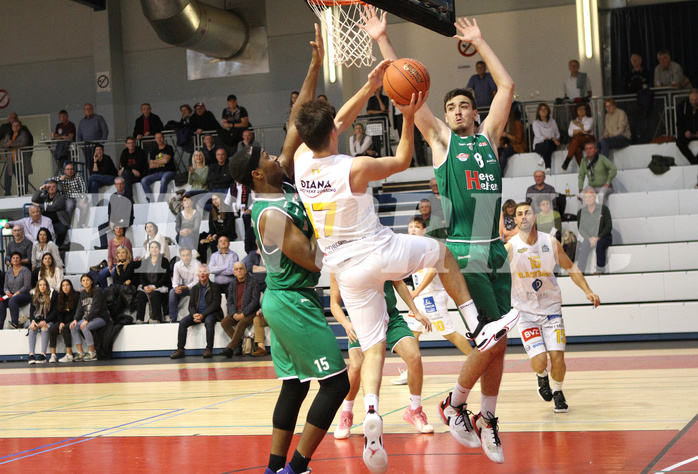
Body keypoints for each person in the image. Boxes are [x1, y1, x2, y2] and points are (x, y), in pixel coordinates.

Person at [364, 9, 521, 465]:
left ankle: (487, 416)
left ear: (475, 112)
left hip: (495, 251)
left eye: (463, 106)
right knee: (489, 340)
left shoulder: (488, 140)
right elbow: (406, 87)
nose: (455, 112)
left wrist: (481, 41)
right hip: (463, 253)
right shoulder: (441, 141)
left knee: (500, 342)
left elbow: (507, 86)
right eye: (450, 107)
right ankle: (454, 403)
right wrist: (383, 39)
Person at [230, 26, 350, 474]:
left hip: (286, 300)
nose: (274, 158)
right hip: (290, 301)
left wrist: (316, 65)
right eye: (265, 159)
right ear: (257, 177)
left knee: (296, 387)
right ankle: (297, 467)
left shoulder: (274, 181)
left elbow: (298, 123)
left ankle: (275, 467)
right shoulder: (272, 216)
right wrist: (333, 214)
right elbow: (316, 259)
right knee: (336, 384)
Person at [506, 201, 600, 413]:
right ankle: (541, 377)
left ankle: (558, 391)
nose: (523, 217)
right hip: (525, 313)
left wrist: (587, 290)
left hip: (551, 311)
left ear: (535, 217)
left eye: (527, 213)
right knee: (540, 361)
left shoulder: (550, 242)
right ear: (516, 220)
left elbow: (571, 267)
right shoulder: (510, 247)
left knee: (558, 359)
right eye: (519, 214)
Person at [331, 273, 435, 437]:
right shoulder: (339, 263)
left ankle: (414, 410)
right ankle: (346, 414)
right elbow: (334, 304)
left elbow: (399, 283)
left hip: (391, 317)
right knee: (356, 367)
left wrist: (415, 311)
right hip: (361, 321)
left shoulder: (382, 253)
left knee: (414, 357)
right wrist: (346, 323)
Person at [403, 217, 473, 361]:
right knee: (412, 334)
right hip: (420, 297)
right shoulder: (409, 249)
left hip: (432, 296)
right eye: (411, 226)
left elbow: (432, 270)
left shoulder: (427, 246)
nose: (413, 229)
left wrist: (416, 291)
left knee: (448, 333)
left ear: (424, 230)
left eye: (417, 226)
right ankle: (412, 370)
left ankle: (476, 363)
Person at [170, 265, 222, 359]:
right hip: (197, 313)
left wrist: (203, 315)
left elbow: (215, 305)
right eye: (200, 272)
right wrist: (195, 314)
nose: (202, 273)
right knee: (183, 322)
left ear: (208, 274)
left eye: (204, 272)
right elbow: (191, 306)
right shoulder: (194, 288)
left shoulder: (215, 287)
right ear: (197, 275)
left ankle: (209, 349)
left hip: (211, 313)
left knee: (209, 322)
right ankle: (180, 349)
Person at [220, 262, 261, 357]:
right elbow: (229, 301)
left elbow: (254, 301)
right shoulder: (232, 284)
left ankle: (230, 348)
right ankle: (238, 343)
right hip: (236, 311)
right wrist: (233, 313)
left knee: (241, 323)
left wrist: (243, 314)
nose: (239, 271)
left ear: (245, 270)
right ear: (233, 272)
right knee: (224, 322)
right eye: (237, 269)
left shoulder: (253, 282)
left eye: (241, 268)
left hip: (251, 312)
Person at [70, 273, 109, 362]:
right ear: (81, 283)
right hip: (89, 318)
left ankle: (92, 352)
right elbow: (79, 309)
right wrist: (75, 319)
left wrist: (87, 320)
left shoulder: (97, 290)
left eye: (87, 280)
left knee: (85, 327)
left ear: (91, 281)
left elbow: (95, 308)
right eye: (83, 280)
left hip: (100, 318)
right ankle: (81, 352)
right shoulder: (83, 293)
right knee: (73, 327)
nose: (85, 282)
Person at [576, 188, 613, 274]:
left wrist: (598, 238)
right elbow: (581, 229)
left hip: (604, 237)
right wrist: (589, 238)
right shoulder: (581, 212)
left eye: (590, 197)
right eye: (586, 197)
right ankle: (580, 272)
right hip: (590, 238)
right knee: (584, 247)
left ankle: (600, 270)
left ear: (595, 197)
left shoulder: (604, 209)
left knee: (600, 245)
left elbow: (608, 226)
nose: (588, 199)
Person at [135, 241, 170, 324]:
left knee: (155, 294)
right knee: (141, 295)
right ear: (149, 250)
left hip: (160, 286)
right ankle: (140, 319)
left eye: (156, 247)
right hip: (147, 286)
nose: (154, 249)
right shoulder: (145, 262)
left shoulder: (164, 261)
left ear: (159, 249)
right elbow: (142, 277)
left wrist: (155, 287)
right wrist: (144, 286)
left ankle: (157, 318)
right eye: (152, 247)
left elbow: (165, 277)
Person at [96, 177, 134, 250]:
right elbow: (110, 211)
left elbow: (129, 212)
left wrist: (121, 221)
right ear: (115, 185)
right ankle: (104, 246)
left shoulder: (128, 196)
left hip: (126, 219)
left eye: (121, 184)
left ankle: (121, 247)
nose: (119, 186)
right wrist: (111, 221)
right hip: (115, 220)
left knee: (120, 226)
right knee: (101, 227)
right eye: (117, 184)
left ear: (123, 185)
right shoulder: (112, 196)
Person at [50, 161, 90, 228]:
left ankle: (81, 224)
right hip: (69, 198)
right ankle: (69, 225)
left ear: (74, 170)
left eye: (71, 169)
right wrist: (59, 179)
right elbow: (49, 180)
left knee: (85, 206)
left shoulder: (78, 177)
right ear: (65, 171)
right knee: (69, 207)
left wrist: (84, 198)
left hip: (79, 198)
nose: (70, 171)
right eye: (68, 169)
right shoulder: (62, 178)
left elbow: (83, 187)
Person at [49, 279, 80, 363]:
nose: (65, 287)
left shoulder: (76, 295)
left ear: (71, 286)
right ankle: (53, 355)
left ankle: (69, 354)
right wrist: (61, 322)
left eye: (67, 285)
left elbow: (76, 311)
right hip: (63, 321)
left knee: (65, 328)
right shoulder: (59, 297)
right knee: (52, 329)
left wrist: (65, 323)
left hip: (73, 320)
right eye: (63, 285)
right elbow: (59, 312)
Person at [27, 278, 57, 364]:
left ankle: (43, 354)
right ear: (38, 286)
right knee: (32, 328)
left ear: (47, 286)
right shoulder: (34, 295)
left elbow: (54, 312)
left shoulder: (53, 295)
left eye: (44, 285)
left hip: (49, 320)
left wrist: (45, 320)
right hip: (37, 319)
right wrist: (32, 321)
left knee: (44, 327)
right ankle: (31, 354)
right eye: (40, 285)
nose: (42, 287)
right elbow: (31, 311)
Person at [198, 194, 236, 260]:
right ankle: (203, 263)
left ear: (220, 199)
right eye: (213, 200)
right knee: (202, 241)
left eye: (216, 199)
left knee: (213, 242)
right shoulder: (212, 212)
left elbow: (229, 227)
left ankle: (217, 260)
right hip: (216, 234)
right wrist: (210, 235)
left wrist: (216, 235)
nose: (214, 201)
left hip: (227, 234)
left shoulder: (227, 209)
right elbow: (211, 228)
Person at [141, 132, 177, 202]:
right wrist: (162, 160)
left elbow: (166, 161)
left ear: (163, 138)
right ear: (155, 139)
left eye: (160, 137)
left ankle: (160, 200)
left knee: (164, 179)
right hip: (158, 172)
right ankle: (150, 200)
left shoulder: (169, 148)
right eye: (157, 138)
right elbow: (151, 165)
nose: (159, 139)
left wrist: (155, 161)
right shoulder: (154, 150)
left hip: (169, 171)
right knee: (144, 181)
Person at [31, 179, 70, 245]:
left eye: (54, 187)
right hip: (45, 222)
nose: (51, 188)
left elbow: (53, 207)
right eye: (49, 187)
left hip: (58, 222)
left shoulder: (60, 198)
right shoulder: (45, 198)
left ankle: (59, 247)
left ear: (56, 187)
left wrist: (39, 205)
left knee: (62, 231)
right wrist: (41, 189)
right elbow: (34, 199)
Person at [169, 247, 201, 324]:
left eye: (187, 255)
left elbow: (196, 282)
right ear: (180, 256)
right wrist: (177, 288)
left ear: (191, 255)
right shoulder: (177, 265)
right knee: (172, 292)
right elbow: (175, 281)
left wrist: (184, 287)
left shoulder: (197, 264)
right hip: (184, 287)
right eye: (183, 255)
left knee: (195, 290)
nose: (185, 257)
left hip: (196, 287)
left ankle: (196, 316)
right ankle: (173, 318)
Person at [1, 252, 32, 329]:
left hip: (24, 294)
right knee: (1, 300)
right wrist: (7, 292)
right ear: (11, 260)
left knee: (12, 300)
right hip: (10, 294)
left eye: (17, 258)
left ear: (20, 260)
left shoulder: (25, 270)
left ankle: (14, 323)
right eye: (13, 258)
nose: (15, 259)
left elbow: (27, 286)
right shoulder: (8, 272)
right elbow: (5, 286)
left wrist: (17, 293)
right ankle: (0, 325)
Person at [76, 103, 109, 174]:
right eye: (86, 109)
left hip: (97, 146)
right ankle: (92, 177)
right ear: (84, 111)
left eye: (89, 109)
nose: (88, 110)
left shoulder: (98, 118)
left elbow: (105, 131)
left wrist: (101, 144)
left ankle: (100, 177)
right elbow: (79, 135)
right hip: (86, 147)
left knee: (99, 162)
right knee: (89, 163)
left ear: (92, 109)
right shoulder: (82, 122)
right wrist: (81, 145)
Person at [2, 120, 32, 196]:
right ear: (11, 127)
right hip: (11, 161)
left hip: (21, 161)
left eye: (17, 126)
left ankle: (22, 193)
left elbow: (24, 143)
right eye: (14, 126)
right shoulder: (9, 135)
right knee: (7, 178)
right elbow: (4, 144)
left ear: (20, 127)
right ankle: (7, 193)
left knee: (21, 178)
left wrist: (12, 144)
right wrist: (8, 145)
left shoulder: (23, 134)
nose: (15, 127)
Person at [562, 103, 594, 171]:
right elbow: (570, 133)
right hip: (578, 141)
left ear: (586, 110)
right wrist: (581, 130)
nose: (581, 111)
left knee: (576, 139)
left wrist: (578, 127)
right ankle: (584, 168)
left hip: (588, 139)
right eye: (579, 109)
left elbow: (587, 128)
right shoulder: (573, 122)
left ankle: (568, 159)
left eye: (583, 109)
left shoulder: (590, 119)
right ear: (576, 111)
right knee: (576, 148)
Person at [531, 103, 560, 171]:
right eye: (541, 110)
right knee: (547, 143)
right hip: (540, 144)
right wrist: (548, 139)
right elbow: (539, 136)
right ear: (538, 112)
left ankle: (543, 158)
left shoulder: (552, 121)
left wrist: (556, 139)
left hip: (551, 143)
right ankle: (548, 167)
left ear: (548, 111)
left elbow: (557, 134)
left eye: (545, 109)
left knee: (549, 144)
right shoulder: (536, 123)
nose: (543, 111)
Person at [118, 137, 148, 201]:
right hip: (129, 174)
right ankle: (128, 197)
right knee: (126, 174)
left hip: (139, 174)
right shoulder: (125, 152)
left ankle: (128, 198)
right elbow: (122, 164)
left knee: (126, 173)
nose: (131, 145)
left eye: (132, 143)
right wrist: (131, 169)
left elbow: (139, 165)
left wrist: (125, 168)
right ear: (126, 144)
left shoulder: (140, 151)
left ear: (135, 144)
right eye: (129, 143)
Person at [497, 107, 525, 174]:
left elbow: (518, 139)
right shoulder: (504, 125)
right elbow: (502, 141)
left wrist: (507, 135)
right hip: (507, 147)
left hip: (516, 147)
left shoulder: (517, 124)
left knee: (504, 154)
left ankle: (500, 173)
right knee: (497, 151)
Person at [676, 89, 698, 165]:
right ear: (689, 99)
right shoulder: (682, 106)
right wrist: (684, 132)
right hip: (687, 133)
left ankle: (694, 162)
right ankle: (694, 161)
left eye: (696, 100)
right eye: (692, 100)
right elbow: (679, 123)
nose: (694, 101)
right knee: (679, 142)